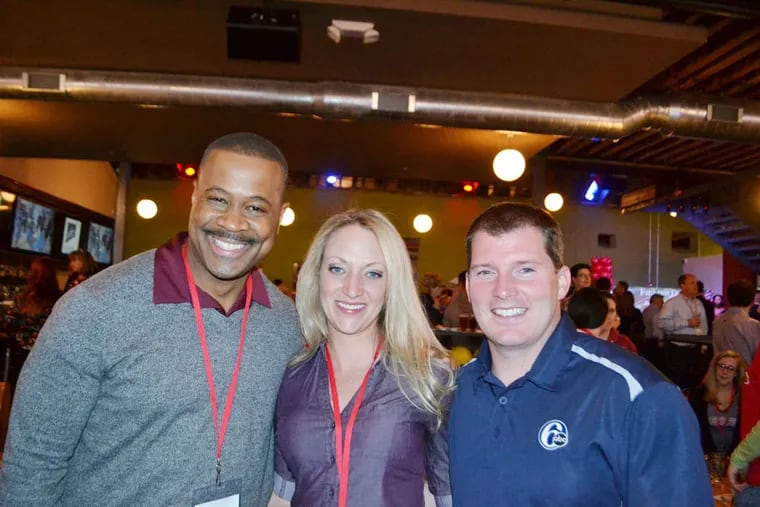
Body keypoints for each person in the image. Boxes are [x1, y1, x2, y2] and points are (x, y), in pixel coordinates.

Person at [0, 132, 302, 506]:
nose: (232, 222)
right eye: (219, 199)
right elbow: (32, 467)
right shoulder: (95, 310)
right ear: (194, 197)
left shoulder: (288, 324)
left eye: (255, 208)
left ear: (280, 215)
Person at [447, 202, 712, 506]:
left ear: (561, 282)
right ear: (468, 287)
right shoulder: (455, 391)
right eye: (485, 272)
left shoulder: (638, 397)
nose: (503, 289)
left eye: (525, 269)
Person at [273, 209, 454, 506]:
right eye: (337, 268)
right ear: (316, 275)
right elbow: (281, 495)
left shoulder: (428, 376)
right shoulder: (291, 378)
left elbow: (446, 494)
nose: (353, 289)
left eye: (372, 273)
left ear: (391, 284)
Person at [689, 350, 745, 455]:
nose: (724, 372)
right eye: (721, 366)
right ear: (714, 368)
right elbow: (693, 430)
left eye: (730, 368)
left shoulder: (743, 398)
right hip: (705, 457)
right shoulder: (699, 395)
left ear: (737, 374)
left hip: (735, 459)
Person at [567, 287, 637, 354]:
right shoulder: (580, 339)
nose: (608, 316)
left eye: (611, 311)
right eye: (603, 311)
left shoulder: (624, 343)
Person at [713, 279, 760, 365]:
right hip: (743, 374)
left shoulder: (717, 321)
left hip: (721, 371)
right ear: (752, 300)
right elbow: (757, 356)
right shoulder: (751, 324)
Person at [658, 273, 708, 338]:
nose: (696, 286)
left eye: (696, 283)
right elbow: (662, 324)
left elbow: (704, 324)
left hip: (697, 343)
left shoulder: (698, 303)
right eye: (692, 283)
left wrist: (703, 343)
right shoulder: (672, 303)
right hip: (678, 344)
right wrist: (687, 323)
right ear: (683, 286)